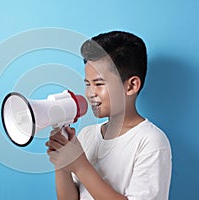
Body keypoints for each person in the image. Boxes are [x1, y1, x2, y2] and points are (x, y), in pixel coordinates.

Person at [45, 31, 172, 200]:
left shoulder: (151, 141)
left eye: (98, 84)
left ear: (131, 85)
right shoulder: (87, 135)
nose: (90, 93)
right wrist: (62, 164)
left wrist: (80, 165)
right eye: (87, 84)